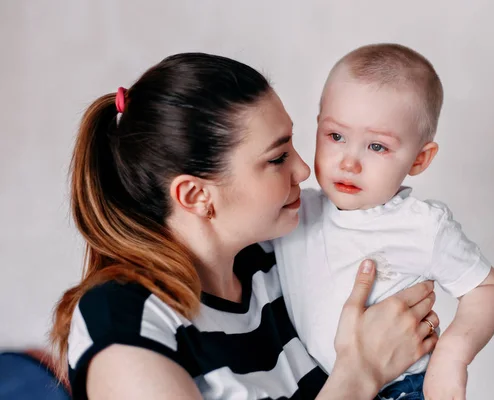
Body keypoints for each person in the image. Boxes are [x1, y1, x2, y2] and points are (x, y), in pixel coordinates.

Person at [50, 52, 440, 400]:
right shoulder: (125, 322)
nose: (303, 170)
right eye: (276, 158)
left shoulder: (277, 261)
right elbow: (361, 369)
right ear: (196, 195)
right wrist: (361, 374)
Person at [272, 43, 494, 400]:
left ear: (419, 159)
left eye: (377, 147)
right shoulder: (292, 211)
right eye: (336, 136)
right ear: (318, 125)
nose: (349, 162)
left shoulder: (423, 226)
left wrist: (451, 357)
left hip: (402, 390)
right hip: (320, 386)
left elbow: (487, 289)